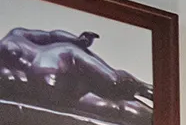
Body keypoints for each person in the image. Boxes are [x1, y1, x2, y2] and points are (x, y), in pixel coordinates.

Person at [0, 26, 151, 108]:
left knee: (112, 83)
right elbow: (52, 36)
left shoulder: (15, 35)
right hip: (52, 71)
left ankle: (146, 91)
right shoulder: (14, 37)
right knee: (111, 86)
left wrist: (77, 40)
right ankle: (143, 91)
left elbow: (52, 35)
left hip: (58, 62)